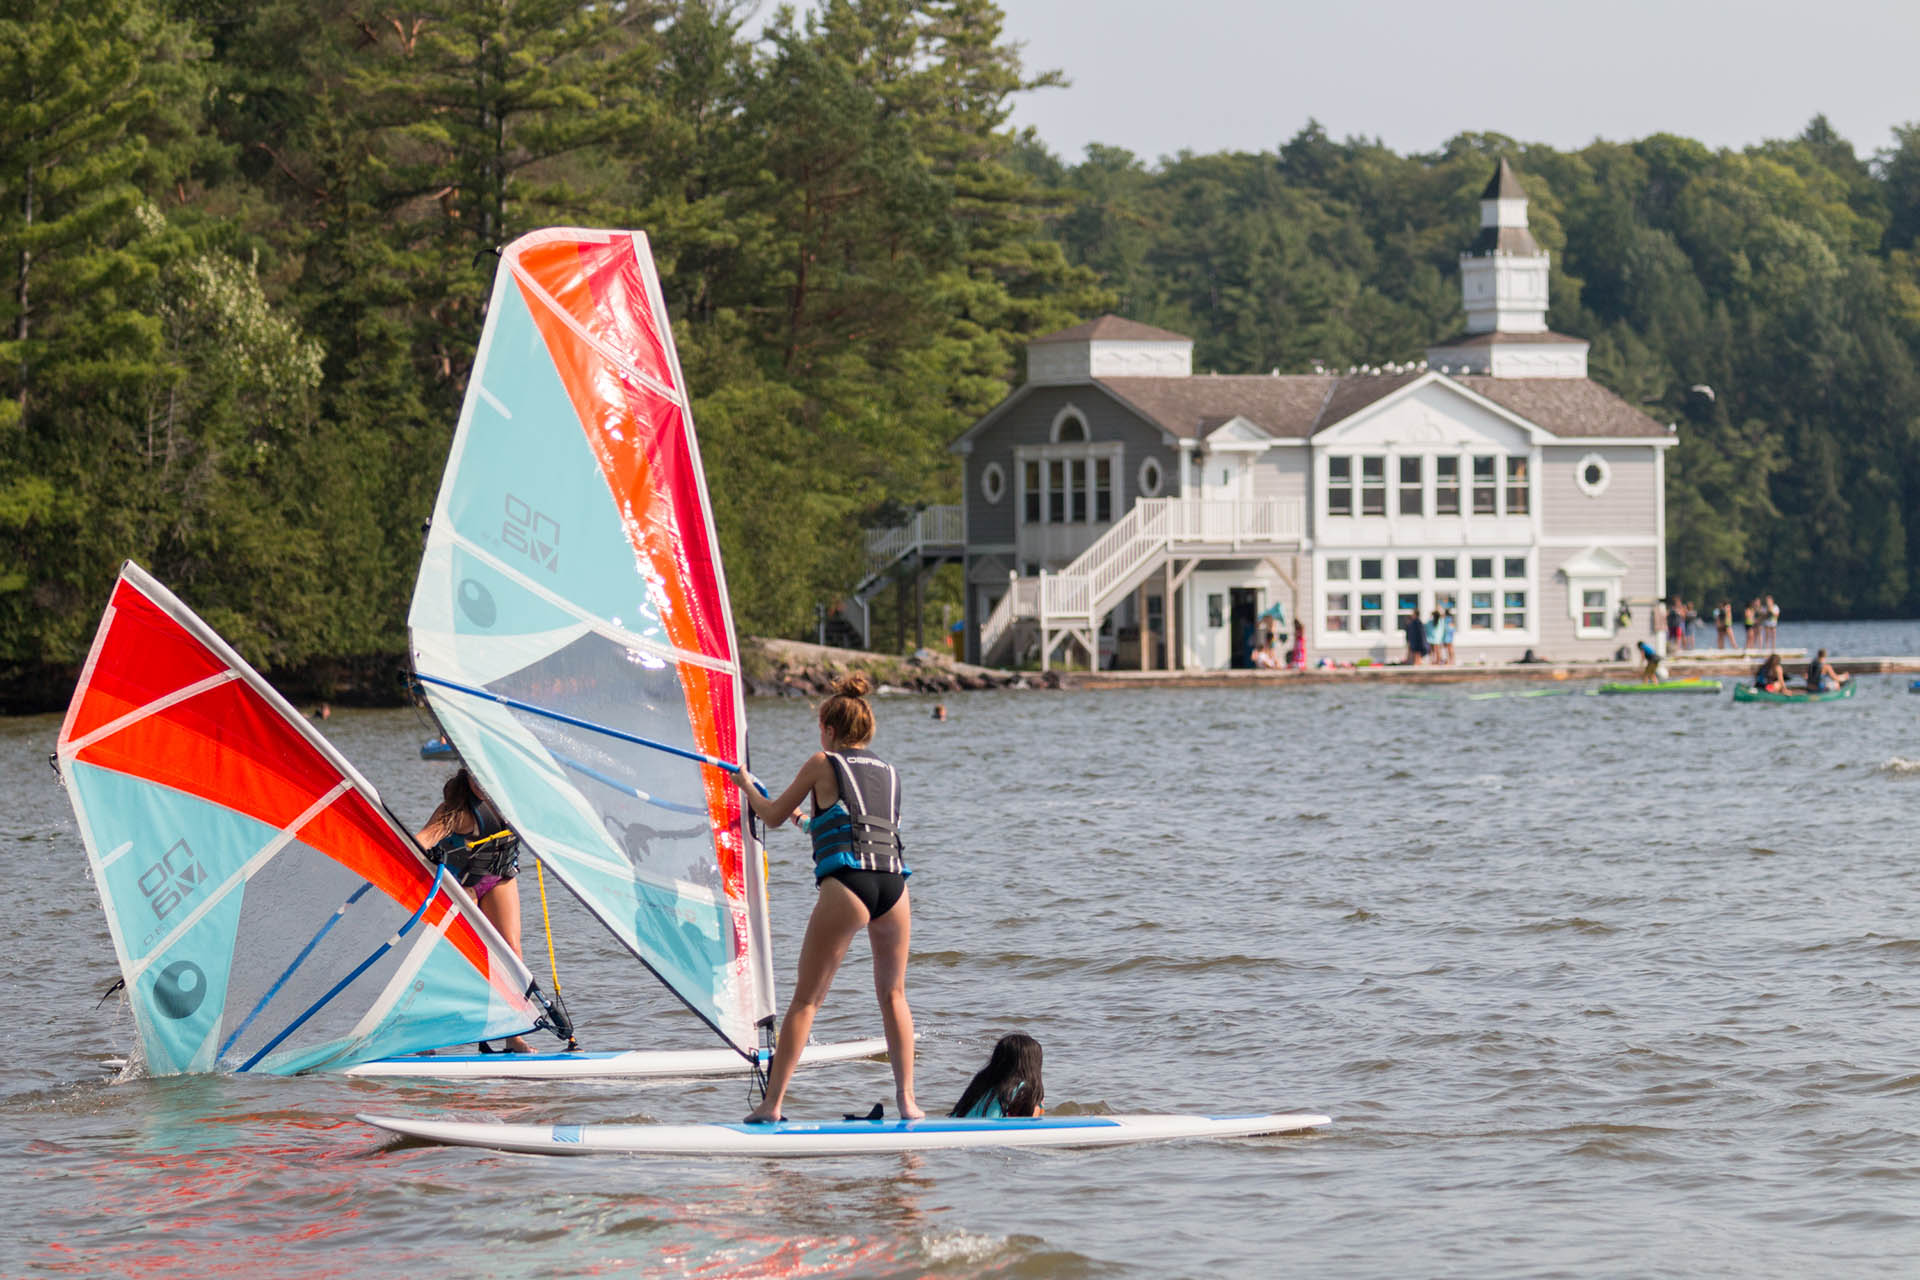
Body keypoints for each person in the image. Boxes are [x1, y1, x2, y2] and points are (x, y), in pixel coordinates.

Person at [734, 673, 920, 1122]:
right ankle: (908, 1101)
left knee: (806, 1001)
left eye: (821, 729)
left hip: (848, 887)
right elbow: (851, 823)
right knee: (894, 995)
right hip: (894, 890)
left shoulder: (823, 761)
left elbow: (772, 815)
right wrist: (807, 821)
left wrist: (744, 786)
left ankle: (772, 1105)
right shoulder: (889, 771)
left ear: (830, 730)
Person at [417, 768, 531, 1052]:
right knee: (453, 960)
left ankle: (513, 1034)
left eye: (485, 775)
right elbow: (422, 840)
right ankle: (426, 1036)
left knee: (511, 953)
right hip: (460, 885)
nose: (480, 783)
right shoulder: (455, 812)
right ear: (466, 777)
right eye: (474, 777)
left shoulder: (513, 802)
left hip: (498, 881)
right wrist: (422, 853)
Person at [952, 1032, 1045, 1119]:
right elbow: (1030, 1123)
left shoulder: (981, 1081)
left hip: (956, 1129)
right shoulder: (1024, 1089)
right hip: (985, 1133)